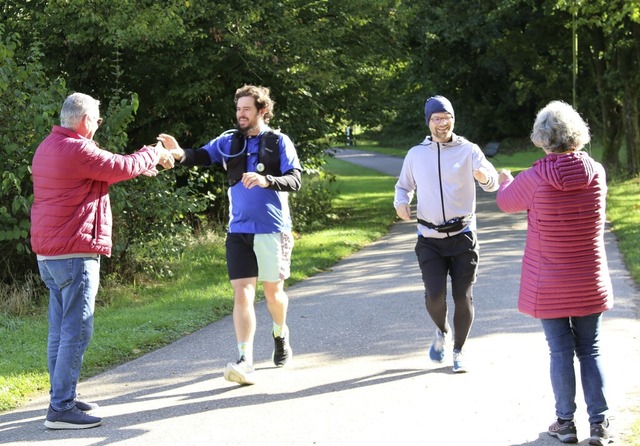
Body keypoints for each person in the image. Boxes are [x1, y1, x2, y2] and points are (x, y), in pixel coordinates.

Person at [31, 92, 174, 429]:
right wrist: (154, 152)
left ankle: (60, 395)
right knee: (77, 330)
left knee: (59, 330)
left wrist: (142, 166)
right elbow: (119, 165)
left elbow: (105, 172)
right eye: (97, 118)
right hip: (74, 252)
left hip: (50, 254)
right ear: (84, 121)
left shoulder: (49, 146)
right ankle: (61, 409)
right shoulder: (77, 148)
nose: (98, 124)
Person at [158, 84, 302, 386]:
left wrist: (266, 180)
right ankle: (244, 359)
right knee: (242, 293)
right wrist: (178, 152)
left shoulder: (278, 141)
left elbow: (295, 179)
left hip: (272, 229)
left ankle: (280, 332)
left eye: (247, 109)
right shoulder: (229, 141)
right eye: (238, 109)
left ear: (262, 110)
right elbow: (200, 155)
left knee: (273, 294)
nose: (241, 114)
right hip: (238, 231)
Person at [496, 100, 613, 445]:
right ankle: (600, 425)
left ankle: (565, 424)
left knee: (560, 350)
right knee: (590, 349)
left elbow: (505, 203)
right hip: (589, 279)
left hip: (549, 283)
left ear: (542, 138)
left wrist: (506, 181)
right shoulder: (598, 172)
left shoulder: (533, 178)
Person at [394, 95, 498, 373]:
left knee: (463, 296)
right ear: (428, 122)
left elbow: (492, 181)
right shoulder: (416, 154)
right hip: (429, 238)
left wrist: (484, 177)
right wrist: (401, 202)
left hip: (463, 234)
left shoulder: (469, 150)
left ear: (454, 119)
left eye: (446, 117)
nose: (442, 123)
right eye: (436, 118)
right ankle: (442, 331)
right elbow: (403, 186)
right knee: (435, 295)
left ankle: (459, 350)